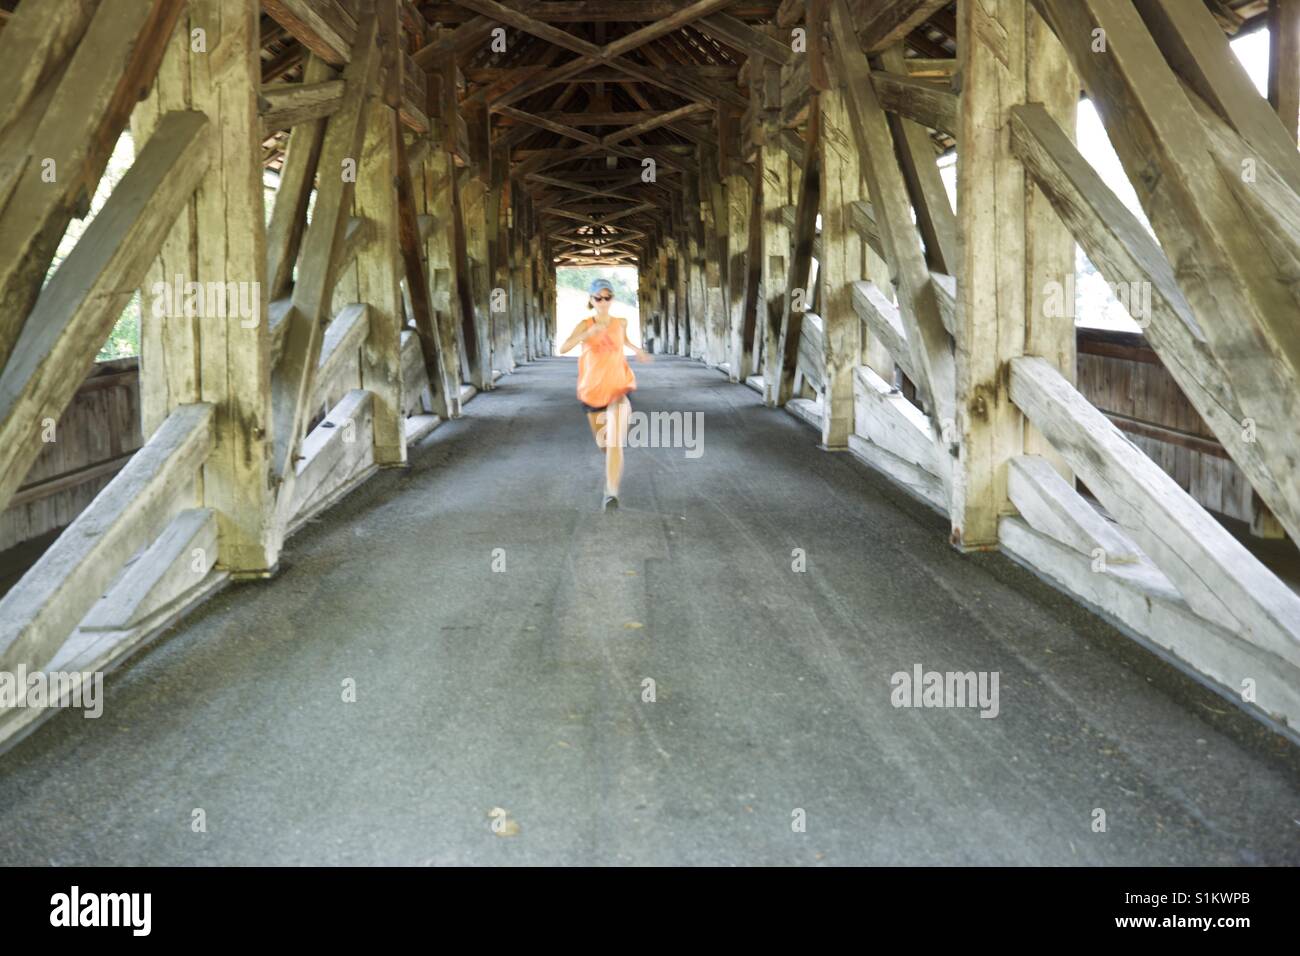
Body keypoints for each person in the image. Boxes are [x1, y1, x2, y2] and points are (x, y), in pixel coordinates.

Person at [558, 277, 652, 511]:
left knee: (614, 444)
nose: (603, 301)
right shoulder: (584, 323)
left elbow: (625, 340)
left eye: (607, 297)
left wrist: (636, 350)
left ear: (612, 298)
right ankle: (610, 476)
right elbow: (563, 348)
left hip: (619, 387)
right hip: (591, 391)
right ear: (591, 300)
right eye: (598, 297)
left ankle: (611, 493)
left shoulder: (621, 322)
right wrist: (587, 334)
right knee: (604, 444)